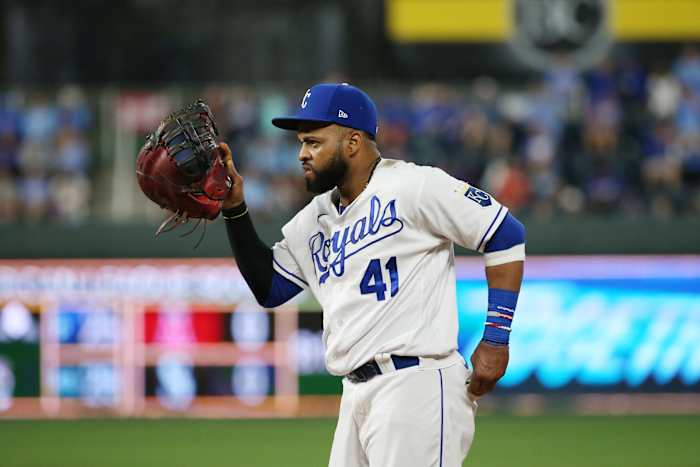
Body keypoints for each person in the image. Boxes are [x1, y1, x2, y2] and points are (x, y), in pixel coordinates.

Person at [220, 83, 525, 467]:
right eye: (301, 143)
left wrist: (496, 339)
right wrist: (234, 210)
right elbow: (270, 287)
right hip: (356, 395)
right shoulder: (315, 218)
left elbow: (506, 234)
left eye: (314, 142)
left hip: (416, 385)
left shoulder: (414, 186)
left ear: (352, 142)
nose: (302, 154)